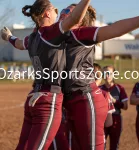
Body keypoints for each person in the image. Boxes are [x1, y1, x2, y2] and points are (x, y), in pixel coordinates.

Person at [1, 0, 91, 149]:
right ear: (47, 13)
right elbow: (74, 19)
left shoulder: (33, 37)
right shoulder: (51, 32)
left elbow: (18, 43)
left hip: (33, 95)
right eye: (55, 9)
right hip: (49, 98)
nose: (58, 12)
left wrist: (8, 37)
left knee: (23, 146)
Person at [59, 3, 139, 150]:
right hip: (69, 102)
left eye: (67, 11)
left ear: (80, 18)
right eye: (63, 10)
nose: (62, 13)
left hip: (86, 99)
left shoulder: (81, 33)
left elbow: (117, 29)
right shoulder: (57, 37)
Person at [101, 66, 128, 150]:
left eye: (108, 73)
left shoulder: (119, 88)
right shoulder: (99, 89)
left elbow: (125, 106)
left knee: (114, 146)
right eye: (104, 73)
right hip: (103, 120)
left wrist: (114, 100)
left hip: (116, 118)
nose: (106, 75)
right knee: (101, 145)